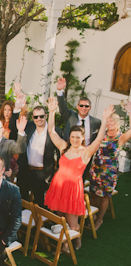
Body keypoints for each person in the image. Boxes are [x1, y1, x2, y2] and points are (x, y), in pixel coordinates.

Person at [44, 97, 111, 250]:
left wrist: (105, 119)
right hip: (59, 186)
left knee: (72, 221)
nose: (74, 139)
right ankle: (64, 239)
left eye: (78, 137)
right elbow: (51, 131)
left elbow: (99, 139)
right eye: (72, 137)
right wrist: (52, 111)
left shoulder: (85, 152)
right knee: (60, 217)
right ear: (70, 137)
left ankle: (75, 241)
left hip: (73, 189)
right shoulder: (64, 147)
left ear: (82, 139)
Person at [89, 103, 131, 229]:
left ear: (117, 123)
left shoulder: (120, 138)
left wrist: (130, 112)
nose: (109, 123)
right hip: (96, 169)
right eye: (108, 121)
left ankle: (99, 220)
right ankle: (93, 215)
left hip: (109, 173)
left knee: (103, 197)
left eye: (112, 121)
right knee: (93, 194)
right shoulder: (102, 134)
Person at [17, 106, 60, 208]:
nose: (39, 119)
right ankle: (24, 221)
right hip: (26, 170)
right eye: (36, 117)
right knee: (22, 198)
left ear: (46, 116)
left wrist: (57, 172)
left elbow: (59, 152)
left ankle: (39, 222)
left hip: (42, 173)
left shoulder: (54, 131)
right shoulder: (29, 126)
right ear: (32, 118)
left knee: (40, 202)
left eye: (41, 116)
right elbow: (15, 126)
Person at [56, 77, 102, 145]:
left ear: (90, 108)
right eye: (81, 106)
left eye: (86, 106)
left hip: (85, 153)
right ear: (77, 106)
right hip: (69, 151)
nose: (84, 108)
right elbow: (62, 107)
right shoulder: (70, 116)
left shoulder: (96, 122)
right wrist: (59, 90)